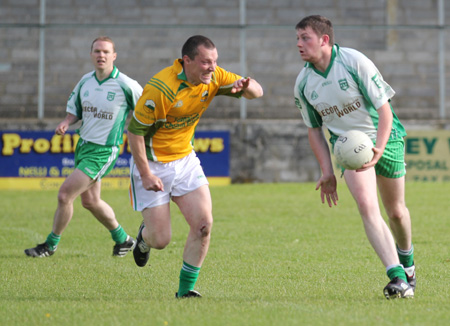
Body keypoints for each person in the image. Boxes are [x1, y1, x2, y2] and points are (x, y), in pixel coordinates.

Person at [128, 35, 263, 298]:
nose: (212, 68)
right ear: (187, 61)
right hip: (154, 165)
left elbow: (257, 93)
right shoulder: (161, 88)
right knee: (161, 240)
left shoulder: (213, 77)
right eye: (205, 62)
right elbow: (134, 133)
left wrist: (246, 86)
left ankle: (185, 290)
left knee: (203, 226)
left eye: (215, 62)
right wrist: (145, 173)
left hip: (186, 161)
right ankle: (144, 239)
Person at [293, 16, 415, 299]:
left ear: (324, 40)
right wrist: (327, 171)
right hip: (349, 147)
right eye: (297, 39)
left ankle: (408, 263)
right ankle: (396, 276)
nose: (299, 44)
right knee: (366, 206)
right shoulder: (303, 82)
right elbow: (314, 130)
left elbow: (384, 110)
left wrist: (380, 149)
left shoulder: (353, 61)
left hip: (386, 137)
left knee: (396, 211)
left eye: (305, 38)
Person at [25, 36, 143, 258]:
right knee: (90, 201)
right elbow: (75, 110)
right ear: (91, 55)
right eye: (97, 51)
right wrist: (66, 122)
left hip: (104, 151)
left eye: (106, 52)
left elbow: (147, 111)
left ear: (114, 56)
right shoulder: (85, 82)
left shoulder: (127, 85)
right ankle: (123, 240)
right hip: (84, 146)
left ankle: (50, 246)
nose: (101, 55)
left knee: (64, 195)